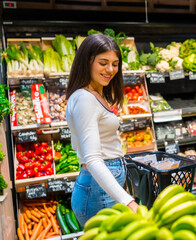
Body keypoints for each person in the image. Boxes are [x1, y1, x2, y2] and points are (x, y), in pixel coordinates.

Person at [65, 33, 138, 227]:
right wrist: (129, 202)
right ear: (87, 61)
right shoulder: (85, 99)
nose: (110, 69)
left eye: (115, 64)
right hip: (97, 192)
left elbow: (76, 141)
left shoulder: (95, 94)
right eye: (103, 62)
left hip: (102, 188)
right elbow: (92, 159)